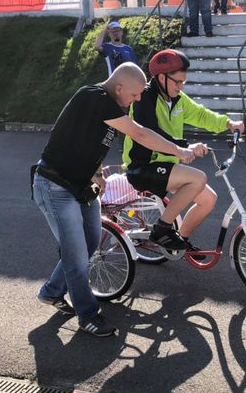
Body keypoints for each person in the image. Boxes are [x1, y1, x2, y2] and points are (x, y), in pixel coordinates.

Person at [33, 63, 195, 337]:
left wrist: (97, 173)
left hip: (82, 186)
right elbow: (140, 133)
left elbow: (86, 140)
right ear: (119, 88)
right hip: (55, 187)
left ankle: (51, 291)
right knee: (76, 256)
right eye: (134, 94)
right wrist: (178, 150)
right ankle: (88, 315)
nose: (138, 99)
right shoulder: (94, 96)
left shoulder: (108, 106)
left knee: (89, 243)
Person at [122, 49, 244, 253]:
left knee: (208, 200)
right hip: (143, 166)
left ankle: (179, 243)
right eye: (177, 82)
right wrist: (184, 148)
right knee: (198, 178)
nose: (181, 87)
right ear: (162, 77)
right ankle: (161, 231)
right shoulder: (144, 98)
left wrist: (228, 123)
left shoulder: (177, 98)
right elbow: (152, 133)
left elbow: (201, 115)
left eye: (183, 82)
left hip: (167, 165)